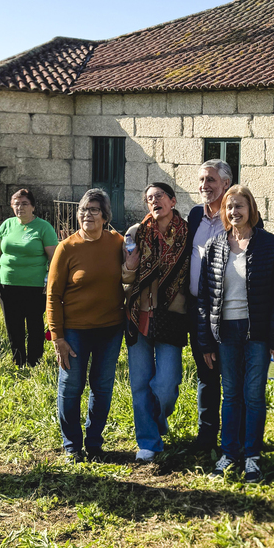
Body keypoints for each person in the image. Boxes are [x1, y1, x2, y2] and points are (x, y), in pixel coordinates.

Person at [197, 185, 274, 483]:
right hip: (225, 331)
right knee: (231, 394)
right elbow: (205, 297)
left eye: (240, 206)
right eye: (230, 207)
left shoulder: (269, 244)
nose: (235, 212)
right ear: (224, 211)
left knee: (253, 395)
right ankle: (229, 454)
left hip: (257, 333)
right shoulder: (215, 245)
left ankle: (252, 457)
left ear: (251, 209)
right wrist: (206, 340)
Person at [46, 189, 125, 463]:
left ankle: (94, 443)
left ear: (105, 215)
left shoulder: (117, 242)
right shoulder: (67, 247)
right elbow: (53, 295)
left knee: (102, 387)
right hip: (74, 332)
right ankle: (72, 445)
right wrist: (57, 336)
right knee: (71, 386)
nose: (87, 214)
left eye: (93, 209)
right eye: (83, 210)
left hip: (110, 329)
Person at [123, 183, 189, 463]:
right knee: (140, 383)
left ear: (172, 201)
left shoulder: (188, 234)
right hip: (139, 314)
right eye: (149, 198)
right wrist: (129, 267)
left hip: (172, 316)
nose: (154, 201)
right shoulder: (136, 233)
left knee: (166, 383)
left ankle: (158, 420)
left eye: (159, 196)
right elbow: (123, 280)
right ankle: (148, 441)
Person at [186, 159, 231, 452]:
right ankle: (206, 436)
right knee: (205, 372)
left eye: (211, 180)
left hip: (231, 310)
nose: (205, 186)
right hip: (197, 308)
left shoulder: (239, 213)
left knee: (232, 377)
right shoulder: (193, 216)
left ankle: (235, 436)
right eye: (202, 180)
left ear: (226, 184)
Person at [0, 188, 58, 367]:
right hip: (8, 284)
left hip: (35, 286)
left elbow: (55, 259)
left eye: (24, 203)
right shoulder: (7, 225)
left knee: (34, 324)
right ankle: (18, 360)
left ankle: (35, 361)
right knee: (13, 325)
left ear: (33, 206)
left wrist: (50, 281)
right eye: (16, 204)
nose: (20, 207)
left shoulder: (44, 227)